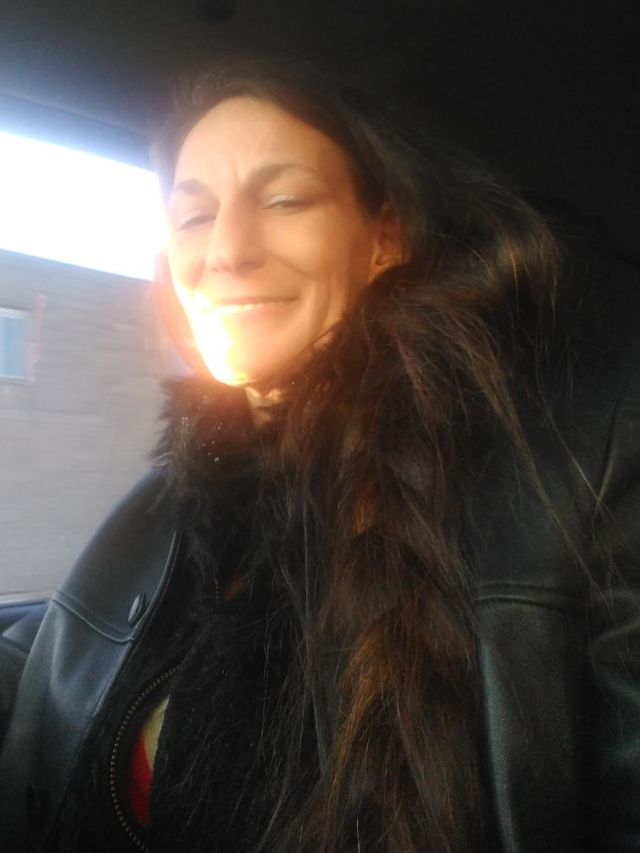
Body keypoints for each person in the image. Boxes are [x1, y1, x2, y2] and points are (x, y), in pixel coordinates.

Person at [1, 56, 640, 852]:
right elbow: (58, 651)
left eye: (285, 200)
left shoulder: (574, 474)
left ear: (384, 239)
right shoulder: (172, 501)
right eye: (193, 216)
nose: (227, 251)